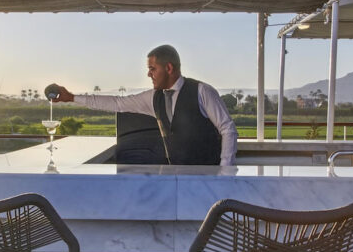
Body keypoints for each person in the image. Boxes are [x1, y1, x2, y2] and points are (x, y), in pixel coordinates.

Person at [50, 45, 238, 166]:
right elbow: (118, 103)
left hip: (209, 175)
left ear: (169, 68)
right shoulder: (153, 98)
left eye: (152, 69)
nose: (149, 74)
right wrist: (71, 97)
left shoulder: (202, 91)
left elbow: (228, 129)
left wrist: (225, 170)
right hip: (172, 176)